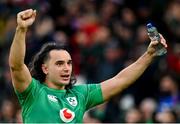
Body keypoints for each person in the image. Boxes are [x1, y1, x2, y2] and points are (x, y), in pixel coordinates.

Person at [9, 9, 168, 123]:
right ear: (45, 68)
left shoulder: (81, 95)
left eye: (69, 63)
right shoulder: (33, 92)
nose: (67, 68)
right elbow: (16, 66)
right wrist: (21, 29)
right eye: (59, 63)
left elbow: (120, 81)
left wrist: (149, 55)